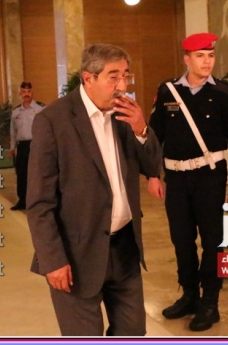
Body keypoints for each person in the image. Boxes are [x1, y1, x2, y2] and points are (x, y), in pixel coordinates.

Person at [26, 44, 162, 336]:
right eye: (113, 77)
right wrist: (53, 260)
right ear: (88, 78)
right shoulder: (53, 120)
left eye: (126, 76)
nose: (122, 86)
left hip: (124, 249)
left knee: (133, 333)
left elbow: (153, 166)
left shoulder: (125, 115)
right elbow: (39, 202)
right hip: (76, 254)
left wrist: (141, 129)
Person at [147, 32, 228, 331]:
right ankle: (190, 295)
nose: (207, 62)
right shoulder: (167, 91)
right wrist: (152, 174)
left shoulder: (224, 93)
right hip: (176, 178)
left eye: (210, 56)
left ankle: (210, 302)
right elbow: (154, 137)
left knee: (213, 241)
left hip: (209, 177)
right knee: (181, 239)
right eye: (200, 56)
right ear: (187, 59)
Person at [9, 81, 44, 210]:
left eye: (28, 91)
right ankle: (22, 200)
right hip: (22, 147)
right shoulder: (16, 112)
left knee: (36, 174)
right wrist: (12, 147)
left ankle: (37, 200)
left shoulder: (40, 110)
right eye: (23, 92)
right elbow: (13, 131)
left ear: (32, 93)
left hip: (36, 145)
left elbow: (45, 130)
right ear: (20, 94)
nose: (26, 94)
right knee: (21, 174)